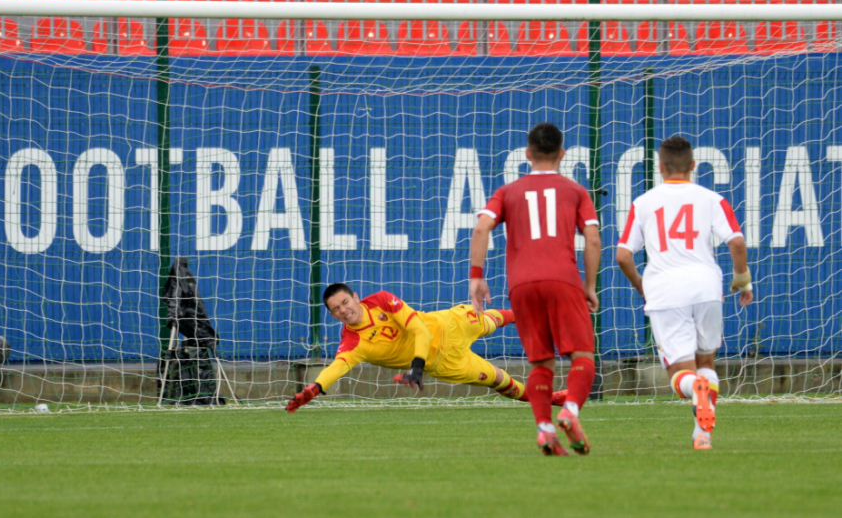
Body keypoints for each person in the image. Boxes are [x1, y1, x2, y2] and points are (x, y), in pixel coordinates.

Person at [469, 122, 601, 456]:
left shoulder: (507, 191)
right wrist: (589, 285)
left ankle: (544, 430)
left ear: (527, 155)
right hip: (563, 280)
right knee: (582, 356)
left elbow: (482, 227)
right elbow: (593, 239)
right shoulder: (575, 191)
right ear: (563, 154)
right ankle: (569, 411)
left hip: (522, 285)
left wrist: (476, 276)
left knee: (541, 363)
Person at [616, 135, 752, 450]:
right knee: (706, 361)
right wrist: (742, 280)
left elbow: (623, 255)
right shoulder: (712, 199)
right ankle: (701, 434)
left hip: (665, 291)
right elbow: (737, 243)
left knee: (681, 374)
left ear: (660, 167)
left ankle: (697, 395)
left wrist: (642, 286)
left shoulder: (644, 202)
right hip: (706, 288)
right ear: (693, 166)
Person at [286, 283, 567, 413]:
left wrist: (415, 368)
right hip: (444, 363)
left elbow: (418, 329)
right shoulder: (352, 343)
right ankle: (550, 399)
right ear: (333, 315)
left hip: (447, 326)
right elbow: (337, 367)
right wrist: (313, 389)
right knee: (499, 380)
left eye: (345, 302)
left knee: (489, 320)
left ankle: (536, 313)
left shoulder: (382, 300)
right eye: (336, 310)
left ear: (355, 297)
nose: (344, 310)